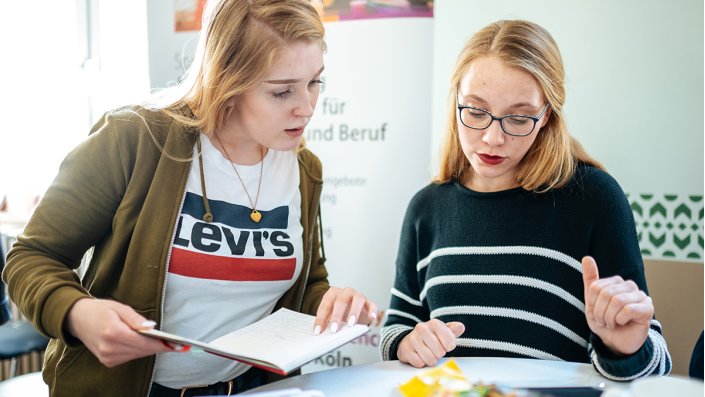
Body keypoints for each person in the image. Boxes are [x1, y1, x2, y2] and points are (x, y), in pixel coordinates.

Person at [3, 1, 377, 396]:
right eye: (282, 91)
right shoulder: (135, 139)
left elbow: (308, 282)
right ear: (227, 82)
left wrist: (332, 301)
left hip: (249, 388)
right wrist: (77, 314)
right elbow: (31, 258)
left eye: (315, 82)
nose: (308, 107)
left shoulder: (303, 168)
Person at [380, 19, 671, 381]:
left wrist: (623, 347)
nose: (492, 137)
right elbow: (396, 327)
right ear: (455, 100)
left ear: (546, 115)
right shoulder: (426, 208)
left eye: (518, 118)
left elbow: (656, 362)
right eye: (474, 110)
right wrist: (407, 342)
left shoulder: (593, 198)